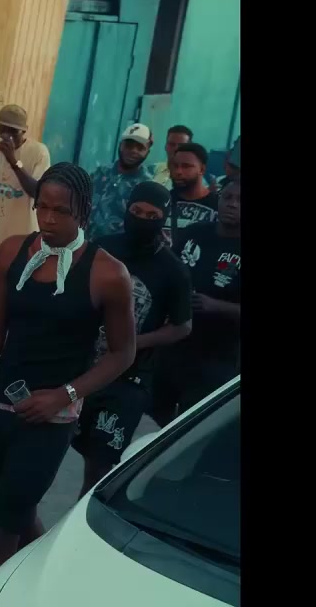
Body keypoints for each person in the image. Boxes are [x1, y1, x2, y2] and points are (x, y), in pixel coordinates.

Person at [0, 162, 136, 583]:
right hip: (2, 410)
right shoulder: (14, 252)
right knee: (12, 510)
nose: (48, 219)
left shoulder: (107, 273)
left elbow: (123, 354)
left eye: (60, 211)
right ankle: (55, 581)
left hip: (53, 419)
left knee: (3, 523)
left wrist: (65, 395)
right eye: (41, 207)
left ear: (83, 211)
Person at [74, 181, 192, 495]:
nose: (142, 220)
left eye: (152, 216)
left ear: (164, 219)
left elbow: (182, 326)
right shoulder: (102, 248)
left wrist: (133, 343)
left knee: (99, 464)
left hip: (128, 380)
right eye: (136, 211)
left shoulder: (173, 270)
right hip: (81, 367)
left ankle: (81, 517)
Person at [153, 177, 240, 425]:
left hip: (218, 356)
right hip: (173, 346)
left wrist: (216, 306)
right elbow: (167, 272)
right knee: (155, 418)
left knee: (192, 425)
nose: (232, 204)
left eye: (240, 200)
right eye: (228, 197)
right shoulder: (195, 233)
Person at [0, 104, 51, 306]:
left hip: (23, 244)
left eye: (13, 131)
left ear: (24, 131)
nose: (7, 136)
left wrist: (13, 161)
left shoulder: (38, 152)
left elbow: (37, 192)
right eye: (3, 129)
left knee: (14, 299)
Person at [87, 124, 154, 242]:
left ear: (148, 151)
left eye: (140, 148)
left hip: (116, 250)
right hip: (84, 244)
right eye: (128, 145)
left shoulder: (147, 187)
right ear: (120, 145)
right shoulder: (100, 173)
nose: (133, 151)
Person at [164, 142, 219, 241]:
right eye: (175, 166)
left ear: (202, 169)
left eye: (186, 166)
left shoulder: (218, 206)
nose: (178, 171)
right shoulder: (163, 201)